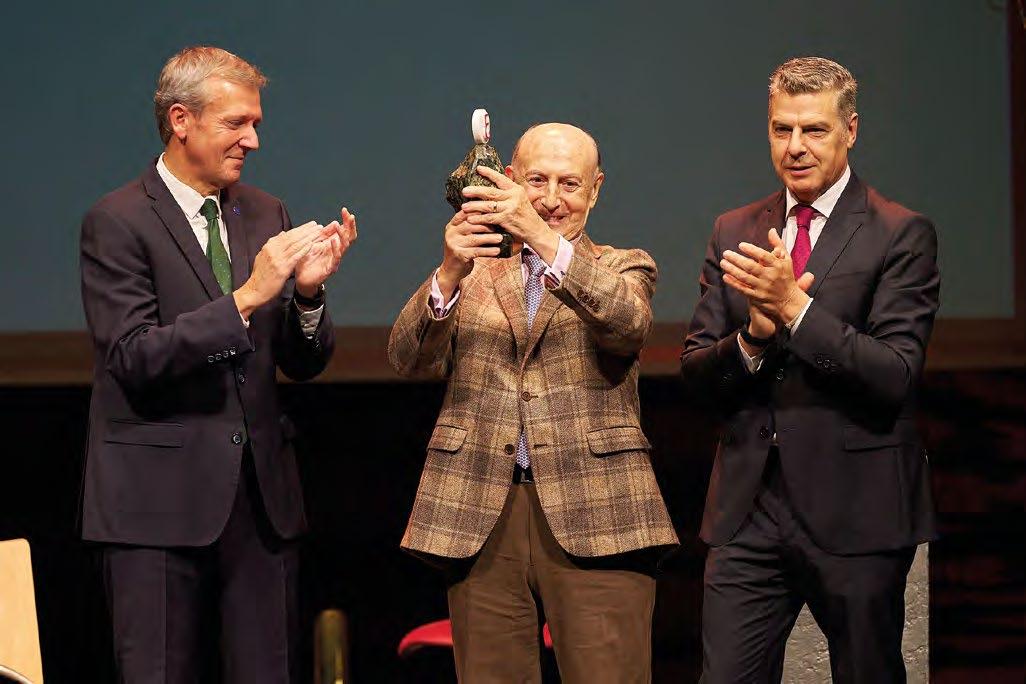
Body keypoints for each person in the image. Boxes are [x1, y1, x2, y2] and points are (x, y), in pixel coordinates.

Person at [79, 46, 356, 683]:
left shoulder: (265, 211)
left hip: (259, 505)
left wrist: (307, 296)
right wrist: (249, 296)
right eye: (236, 123)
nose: (252, 140)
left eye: (255, 123)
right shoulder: (116, 220)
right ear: (181, 120)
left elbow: (301, 362)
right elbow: (132, 355)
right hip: (154, 505)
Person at [680, 56, 940, 683]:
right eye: (782, 129)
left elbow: (894, 374)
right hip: (749, 510)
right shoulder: (735, 229)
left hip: (858, 508)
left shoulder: (899, 233)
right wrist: (754, 336)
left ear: (850, 130)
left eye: (814, 130)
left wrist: (795, 311)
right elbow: (697, 372)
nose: (795, 146)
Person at [389, 122, 677, 683]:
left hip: (597, 508)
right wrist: (448, 273)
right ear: (511, 179)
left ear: (595, 190)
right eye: (537, 181)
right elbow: (407, 359)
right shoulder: (474, 270)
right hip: (482, 511)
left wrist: (542, 241)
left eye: (569, 184)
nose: (550, 199)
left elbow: (627, 325)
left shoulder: (622, 266)